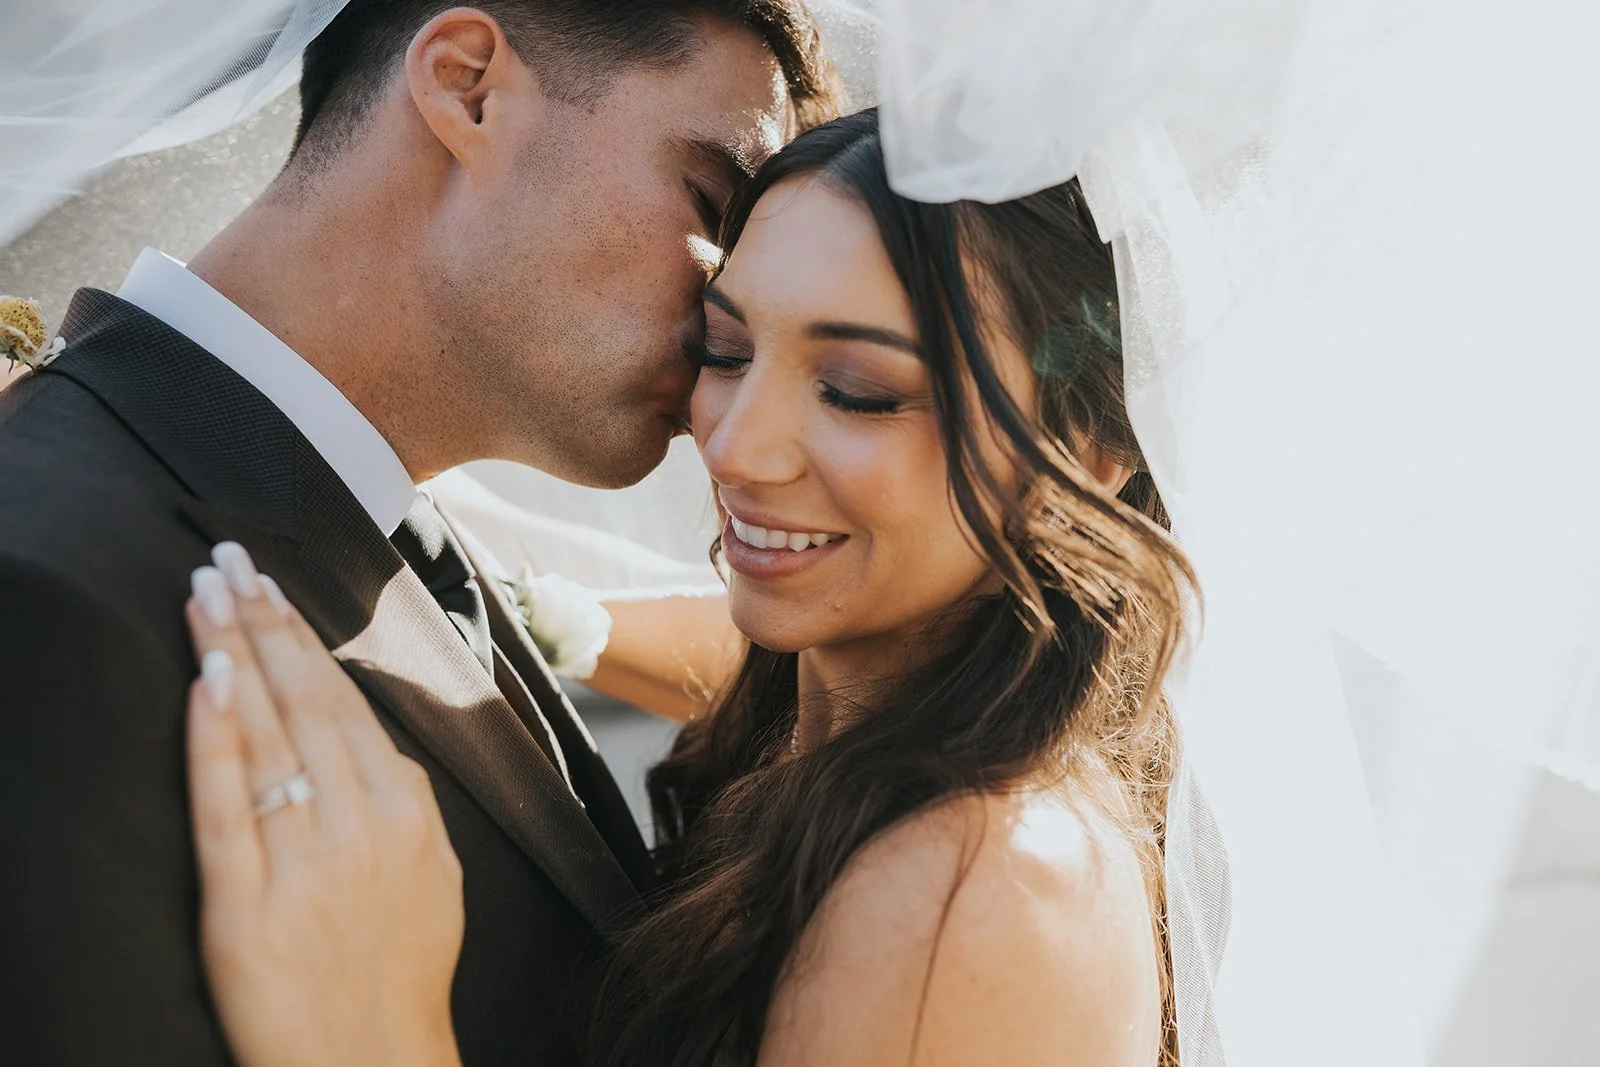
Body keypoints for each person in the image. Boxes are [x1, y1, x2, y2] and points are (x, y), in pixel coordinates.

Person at [181, 110, 1197, 1066]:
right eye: (725, 348)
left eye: (858, 391)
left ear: (1095, 449)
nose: (735, 443)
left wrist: (372, 1027)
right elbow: (713, 649)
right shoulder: (839, 699)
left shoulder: (971, 889)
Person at [0, 3, 837, 1063]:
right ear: (466, 83)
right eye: (712, 200)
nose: (733, 306)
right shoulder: (42, 601)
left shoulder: (390, 528)